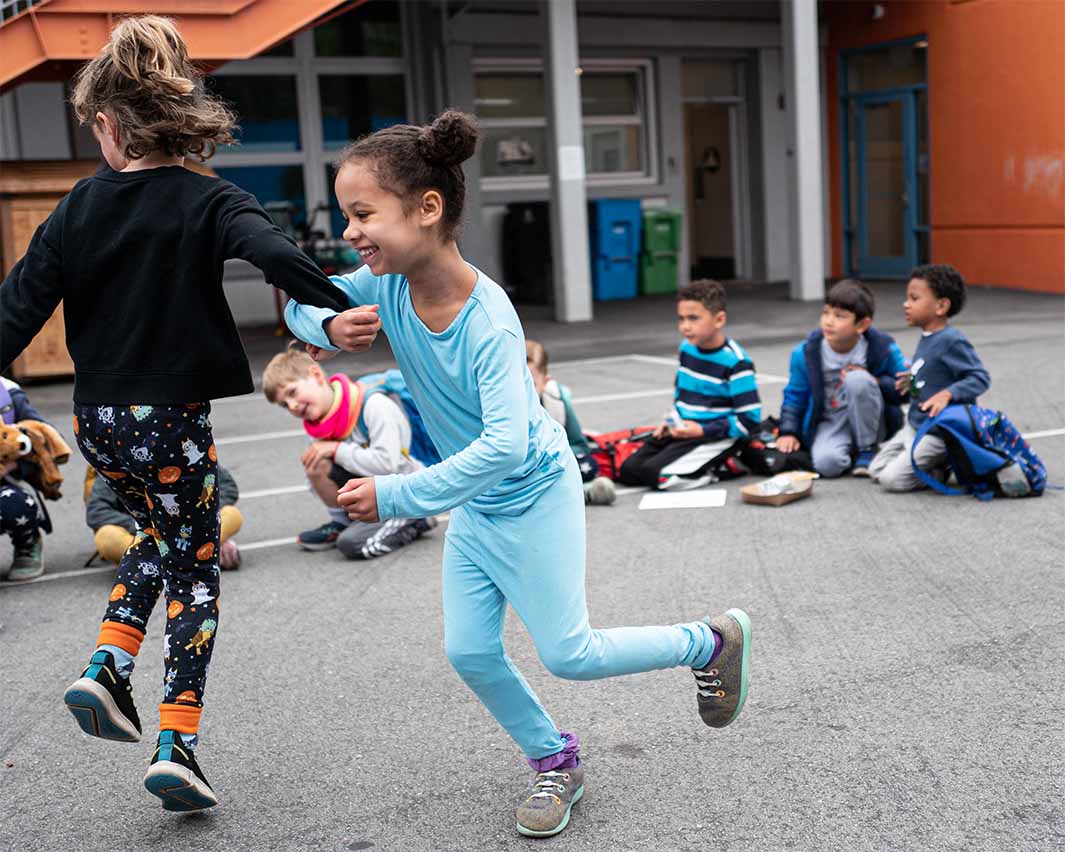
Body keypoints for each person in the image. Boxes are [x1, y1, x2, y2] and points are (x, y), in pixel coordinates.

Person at [284, 110, 752, 839]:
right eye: (347, 215)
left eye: (363, 215)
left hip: (532, 493)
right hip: (478, 503)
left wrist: (397, 493)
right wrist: (327, 325)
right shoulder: (385, 283)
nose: (350, 233)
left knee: (571, 654)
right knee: (469, 650)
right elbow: (300, 298)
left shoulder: (489, 321)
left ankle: (708, 642)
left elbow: (504, 448)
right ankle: (554, 759)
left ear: (426, 209)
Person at [0, 16, 377, 812]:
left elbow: (17, 307)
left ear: (110, 125)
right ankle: (176, 743)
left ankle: (110, 664)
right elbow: (275, 253)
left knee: (162, 534)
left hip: (99, 422)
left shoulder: (77, 206)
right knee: (195, 568)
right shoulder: (212, 199)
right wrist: (333, 308)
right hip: (168, 421)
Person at [262, 348, 436, 558]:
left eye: (292, 393)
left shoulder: (373, 405)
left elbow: (387, 465)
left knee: (351, 544)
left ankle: (416, 519)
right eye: (284, 405)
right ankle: (343, 522)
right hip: (371, 488)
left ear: (316, 375)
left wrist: (337, 450)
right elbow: (317, 480)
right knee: (317, 464)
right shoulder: (318, 424)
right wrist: (316, 474)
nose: (292, 406)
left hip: (400, 490)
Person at [618, 279, 762, 490]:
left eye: (693, 318)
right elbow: (682, 394)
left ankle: (724, 467)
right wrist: (672, 421)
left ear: (719, 319)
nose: (685, 326)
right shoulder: (687, 348)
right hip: (684, 429)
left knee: (656, 475)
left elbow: (750, 420)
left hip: (715, 436)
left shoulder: (737, 362)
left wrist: (702, 430)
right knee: (628, 471)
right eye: (681, 318)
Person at [869, 264, 991, 491]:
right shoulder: (928, 337)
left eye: (914, 298)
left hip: (938, 432)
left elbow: (979, 377)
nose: (906, 304)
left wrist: (947, 394)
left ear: (941, 306)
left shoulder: (951, 340)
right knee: (875, 470)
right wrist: (914, 380)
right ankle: (932, 466)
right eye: (907, 298)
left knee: (891, 480)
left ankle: (941, 467)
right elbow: (936, 372)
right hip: (915, 425)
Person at [776, 279, 908, 477]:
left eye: (839, 316)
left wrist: (876, 381)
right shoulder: (806, 353)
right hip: (832, 420)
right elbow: (795, 394)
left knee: (857, 380)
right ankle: (852, 450)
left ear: (862, 325)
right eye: (826, 312)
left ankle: (867, 448)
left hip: (872, 420)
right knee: (827, 465)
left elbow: (906, 389)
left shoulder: (882, 348)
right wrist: (788, 432)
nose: (828, 321)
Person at [86, 464, 243, 569]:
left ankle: (193, 554)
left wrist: (198, 514)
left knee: (231, 514)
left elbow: (227, 487)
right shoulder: (116, 460)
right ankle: (197, 557)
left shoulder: (181, 443)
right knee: (106, 537)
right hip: (143, 535)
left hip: (188, 528)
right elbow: (96, 511)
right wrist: (146, 525)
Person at [524, 339, 615, 505]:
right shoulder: (494, 406)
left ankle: (578, 492)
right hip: (510, 470)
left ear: (545, 382)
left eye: (532, 385)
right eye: (518, 385)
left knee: (587, 465)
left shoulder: (556, 401)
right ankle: (581, 493)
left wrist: (549, 456)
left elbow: (580, 445)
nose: (524, 393)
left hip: (546, 464)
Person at [0, 378, 51, 581]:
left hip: (6, 484)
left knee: (14, 504)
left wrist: (11, 466)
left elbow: (48, 441)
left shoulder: (8, 393)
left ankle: (27, 544)